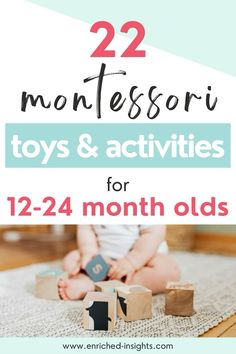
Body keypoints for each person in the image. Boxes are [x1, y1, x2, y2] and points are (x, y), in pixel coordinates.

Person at [59, 225, 180, 300]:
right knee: (71, 259)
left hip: (142, 259)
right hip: (103, 259)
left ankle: (104, 286)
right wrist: (89, 252)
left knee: (168, 270)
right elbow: (85, 228)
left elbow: (153, 234)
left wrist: (131, 262)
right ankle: (88, 283)